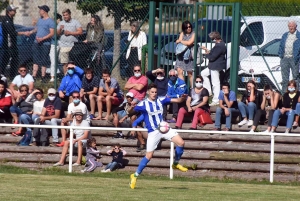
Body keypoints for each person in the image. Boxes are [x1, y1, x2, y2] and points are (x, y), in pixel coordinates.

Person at [129, 83, 188, 190]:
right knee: (149, 156)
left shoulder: (161, 100)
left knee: (181, 143)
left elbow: (177, 101)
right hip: (153, 132)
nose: (154, 94)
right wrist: (131, 107)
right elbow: (131, 112)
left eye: (155, 92)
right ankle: (135, 176)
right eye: (152, 92)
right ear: (148, 92)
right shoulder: (143, 104)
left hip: (164, 128)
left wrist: (182, 98)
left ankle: (175, 163)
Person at [1, 5, 30, 78]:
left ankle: (12, 75)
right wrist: (23, 33)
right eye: (13, 10)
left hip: (12, 44)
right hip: (8, 45)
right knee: (7, 60)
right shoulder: (6, 20)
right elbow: (12, 33)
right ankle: (4, 74)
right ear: (9, 12)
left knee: (14, 60)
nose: (15, 12)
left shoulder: (10, 19)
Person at [27, 5, 55, 81]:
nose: (39, 11)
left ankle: (43, 76)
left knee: (44, 60)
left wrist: (42, 38)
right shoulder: (40, 20)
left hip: (45, 44)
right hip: (36, 42)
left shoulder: (50, 21)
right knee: (35, 59)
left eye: (40, 10)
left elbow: (52, 33)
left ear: (44, 11)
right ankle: (34, 76)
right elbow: (37, 28)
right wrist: (31, 32)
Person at [201, 31, 227, 106]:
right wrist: (206, 50)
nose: (212, 40)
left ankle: (216, 99)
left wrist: (206, 55)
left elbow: (212, 57)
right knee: (203, 74)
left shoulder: (219, 46)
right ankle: (209, 91)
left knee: (215, 83)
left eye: (212, 39)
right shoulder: (220, 44)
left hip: (215, 66)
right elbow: (213, 53)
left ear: (215, 38)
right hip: (214, 65)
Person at [57, 9, 83, 74]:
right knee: (64, 63)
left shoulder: (75, 22)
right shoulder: (61, 23)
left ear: (70, 14)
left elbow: (80, 32)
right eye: (64, 15)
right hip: (63, 46)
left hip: (73, 46)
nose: (65, 17)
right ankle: (66, 77)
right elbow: (57, 34)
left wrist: (70, 33)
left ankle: (74, 76)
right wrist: (60, 29)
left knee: (73, 63)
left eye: (66, 15)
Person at [278, 20, 300, 91]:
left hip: (294, 59)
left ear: (296, 26)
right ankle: (284, 94)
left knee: (295, 77)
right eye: (289, 26)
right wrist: (280, 55)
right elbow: (281, 46)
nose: (291, 28)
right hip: (284, 58)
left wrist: (297, 56)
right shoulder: (285, 35)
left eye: (292, 26)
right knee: (285, 79)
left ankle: (296, 94)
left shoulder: (299, 36)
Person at [175, 20, 195, 88]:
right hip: (181, 56)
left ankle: (192, 88)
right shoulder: (182, 33)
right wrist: (183, 42)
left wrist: (181, 41)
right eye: (186, 27)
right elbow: (178, 42)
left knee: (190, 73)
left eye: (189, 27)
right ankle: (182, 87)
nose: (189, 28)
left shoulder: (193, 34)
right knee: (179, 71)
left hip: (189, 56)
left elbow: (190, 43)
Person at [49, 13, 62, 82]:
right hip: (54, 44)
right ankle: (52, 76)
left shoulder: (62, 25)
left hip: (61, 44)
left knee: (61, 60)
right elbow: (55, 36)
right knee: (53, 60)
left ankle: (59, 74)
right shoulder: (53, 26)